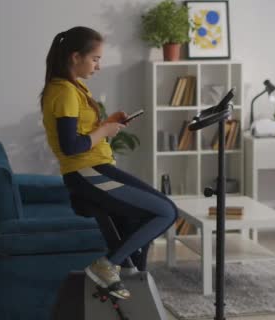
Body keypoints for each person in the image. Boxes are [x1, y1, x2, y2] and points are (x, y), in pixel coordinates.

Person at [40, 26, 178, 300]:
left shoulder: (73, 87)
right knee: (165, 212)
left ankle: (130, 282)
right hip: (86, 172)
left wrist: (106, 123)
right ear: (75, 57)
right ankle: (106, 265)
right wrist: (104, 132)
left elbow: (80, 133)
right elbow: (71, 147)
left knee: (161, 210)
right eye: (95, 59)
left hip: (96, 168)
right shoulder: (65, 92)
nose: (98, 66)